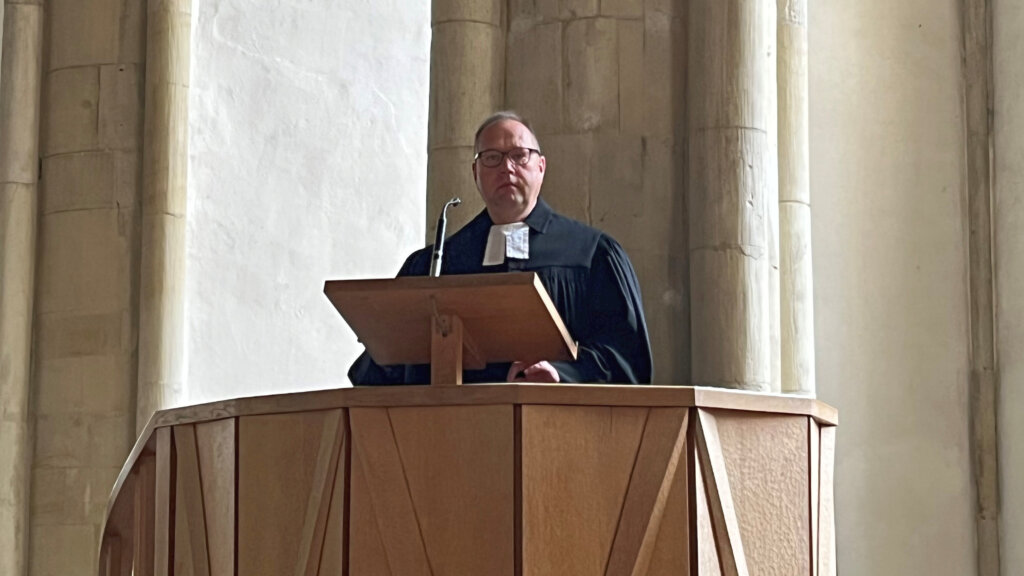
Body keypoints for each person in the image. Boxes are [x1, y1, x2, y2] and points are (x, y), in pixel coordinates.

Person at [349, 111, 652, 385]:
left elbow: (626, 359)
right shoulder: (434, 264)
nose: (507, 167)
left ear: (541, 167)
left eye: (520, 155)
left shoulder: (592, 254)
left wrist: (562, 373)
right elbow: (384, 369)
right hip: (458, 423)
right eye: (492, 157)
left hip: (558, 421)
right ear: (475, 172)